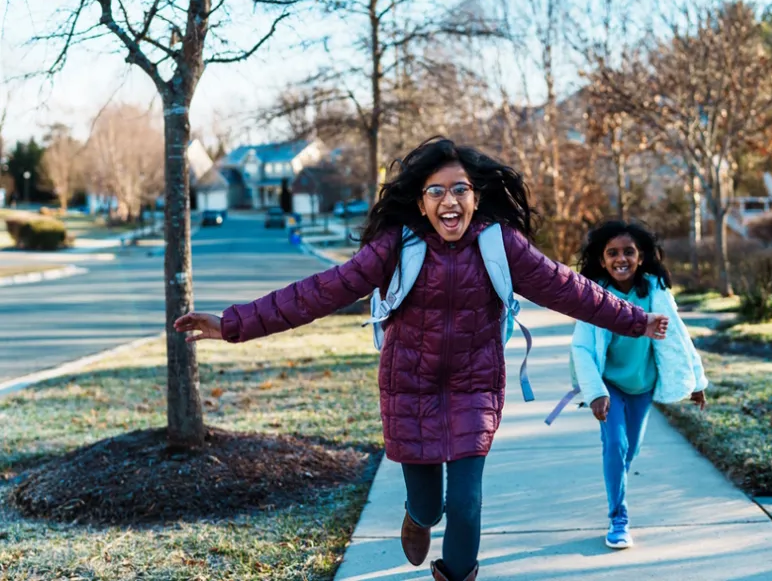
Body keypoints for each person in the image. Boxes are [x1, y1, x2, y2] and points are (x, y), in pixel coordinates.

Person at [173, 137, 671, 581]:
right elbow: (320, 291)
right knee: (431, 504)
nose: (449, 200)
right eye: (436, 191)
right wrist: (233, 324)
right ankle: (416, 515)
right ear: (420, 201)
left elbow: (569, 288)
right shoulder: (397, 245)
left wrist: (636, 319)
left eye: (459, 189)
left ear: (476, 197)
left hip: (475, 386)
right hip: (409, 388)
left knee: (467, 503)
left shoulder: (502, 245)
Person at [561, 220, 708, 550]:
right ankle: (618, 518)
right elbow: (582, 348)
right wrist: (596, 391)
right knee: (615, 444)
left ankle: (616, 486)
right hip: (609, 384)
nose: (620, 259)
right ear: (601, 260)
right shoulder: (594, 296)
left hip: (642, 387)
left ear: (641, 257)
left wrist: (696, 381)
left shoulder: (654, 291)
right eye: (612, 253)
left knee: (630, 451)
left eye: (628, 252)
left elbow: (678, 338)